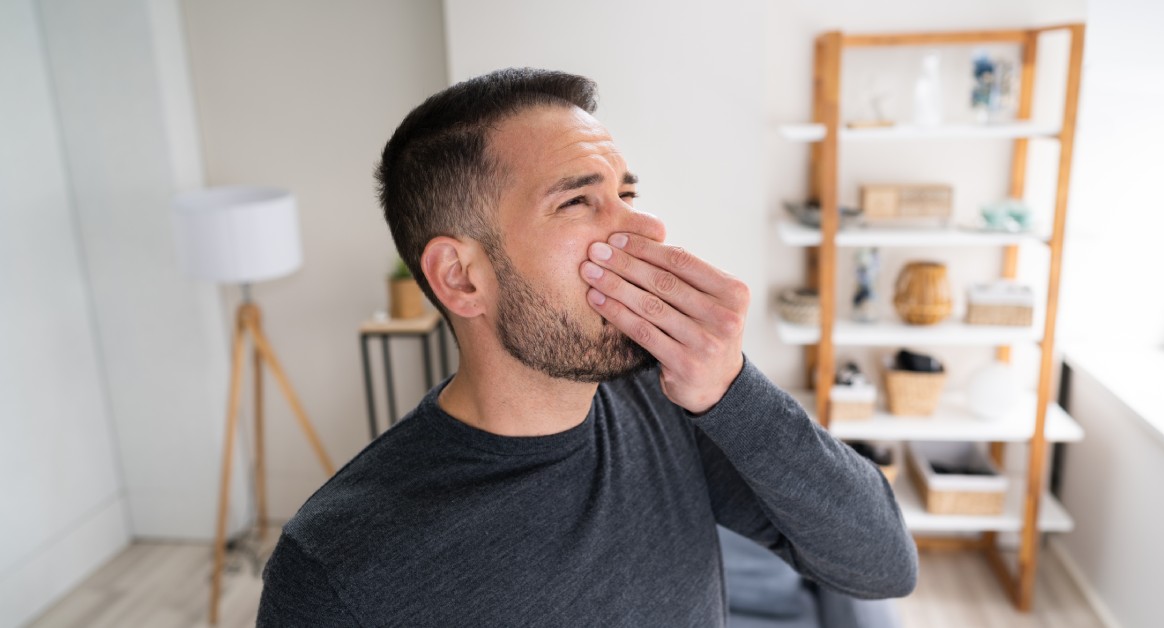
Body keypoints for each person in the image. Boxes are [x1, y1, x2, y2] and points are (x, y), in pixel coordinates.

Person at [256, 68, 917, 627]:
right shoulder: (335, 567)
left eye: (626, 192)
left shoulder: (666, 403)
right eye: (578, 202)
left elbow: (883, 564)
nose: (645, 224)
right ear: (461, 277)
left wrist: (732, 387)